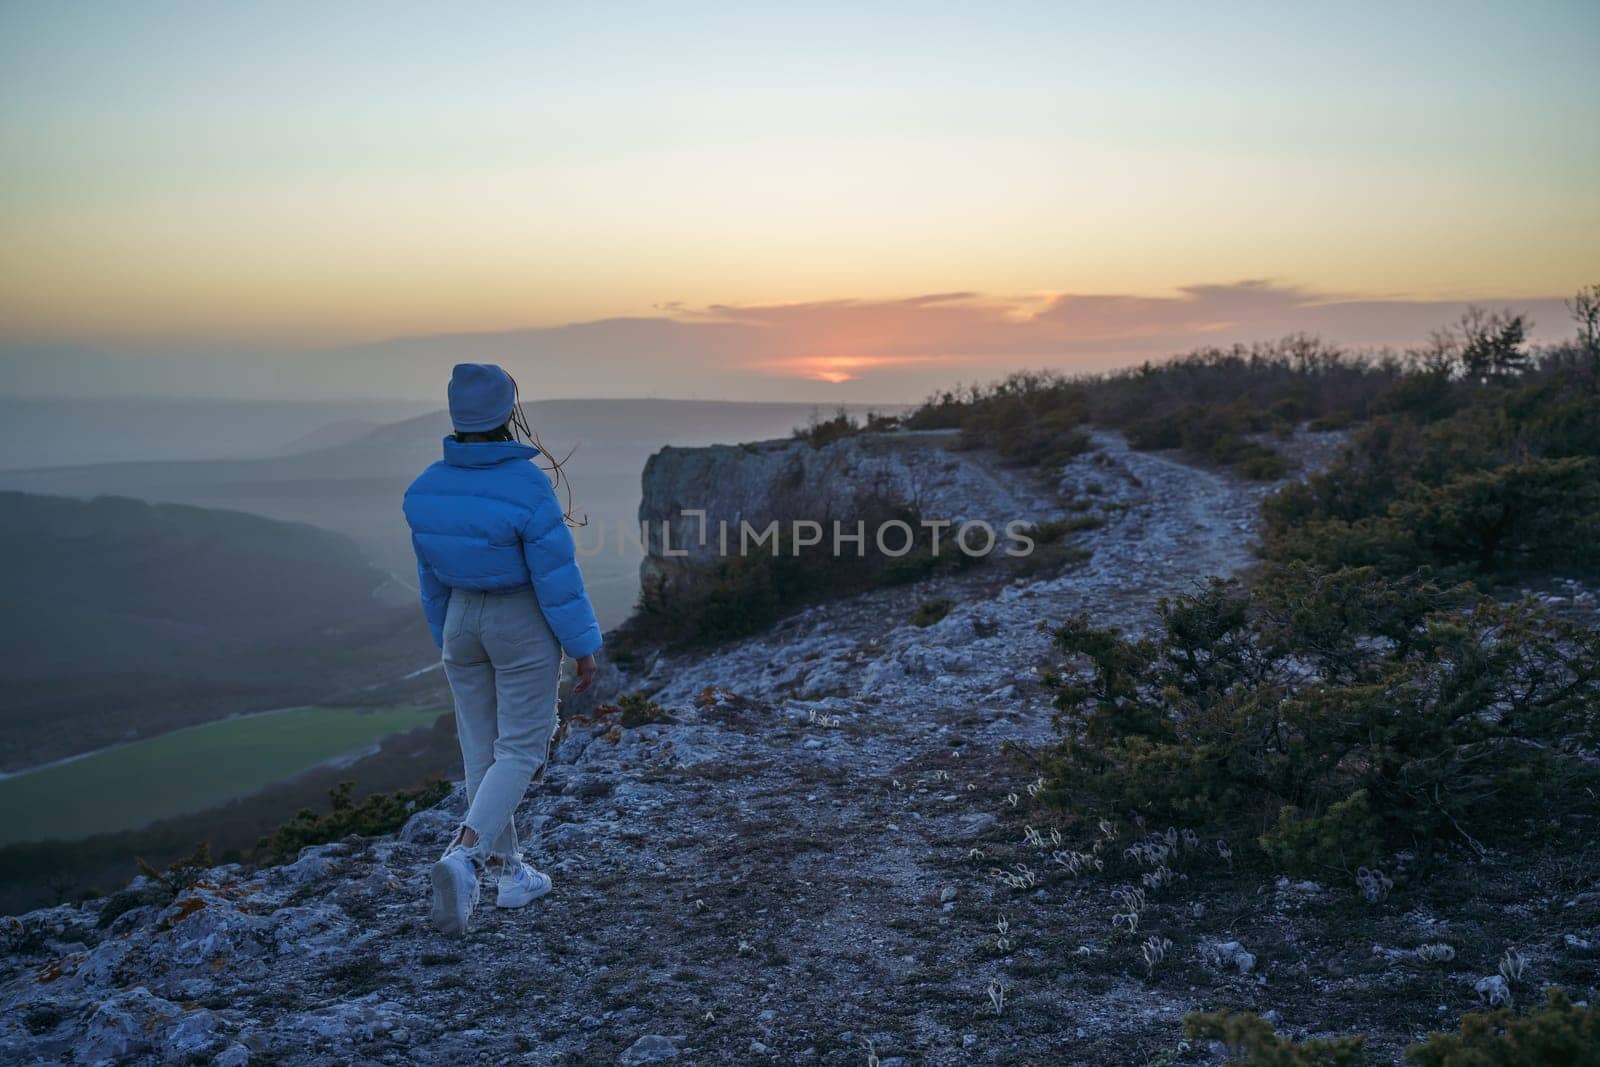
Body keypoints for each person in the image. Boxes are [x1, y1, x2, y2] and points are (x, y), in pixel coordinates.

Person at [402, 362, 601, 936]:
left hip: (462, 619)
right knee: (521, 747)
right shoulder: (526, 485)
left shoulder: (425, 488)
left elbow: (430, 580)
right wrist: (582, 646)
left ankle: (509, 872)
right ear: (506, 414)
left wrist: (450, 639)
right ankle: (464, 856)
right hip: (519, 619)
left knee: (480, 749)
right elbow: (556, 576)